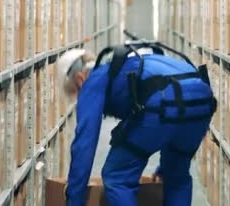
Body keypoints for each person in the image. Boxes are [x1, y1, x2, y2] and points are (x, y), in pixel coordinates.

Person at [57, 42, 216, 206]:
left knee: (117, 177)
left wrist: (74, 199)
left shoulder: (93, 80)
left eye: (75, 92)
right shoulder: (127, 65)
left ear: (79, 78)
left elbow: (85, 143)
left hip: (163, 104)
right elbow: (176, 98)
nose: (79, 98)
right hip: (202, 103)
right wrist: (165, 166)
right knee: (177, 175)